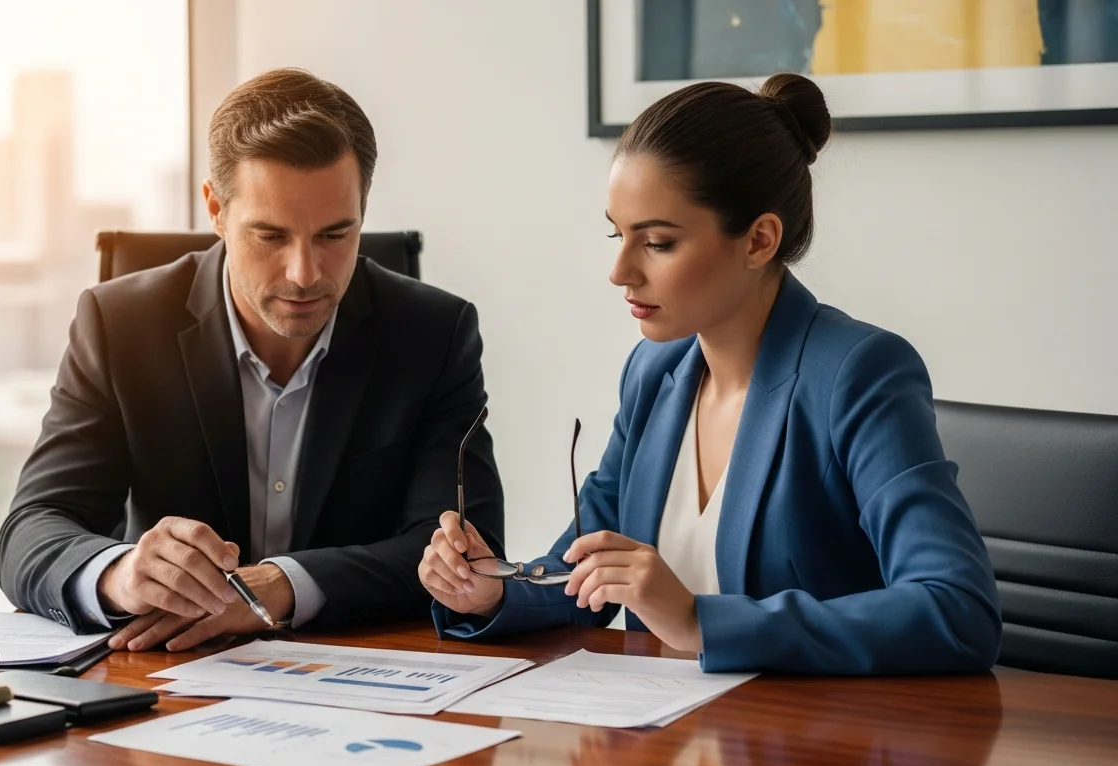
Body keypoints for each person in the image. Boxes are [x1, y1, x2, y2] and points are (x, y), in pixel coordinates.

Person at [419, 73, 1001, 674]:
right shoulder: (655, 370)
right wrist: (494, 588)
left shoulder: (858, 375)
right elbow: (588, 570)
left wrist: (699, 621)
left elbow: (957, 610)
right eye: (618, 234)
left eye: (659, 243)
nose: (619, 271)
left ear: (758, 240)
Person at [0, 68, 504, 651]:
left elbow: (470, 551)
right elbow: (30, 531)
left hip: (359, 673)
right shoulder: (120, 326)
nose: (305, 274)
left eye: (336, 235)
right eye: (270, 236)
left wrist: (284, 585)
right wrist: (121, 574)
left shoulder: (433, 333)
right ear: (216, 209)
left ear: (363, 210)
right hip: (166, 677)